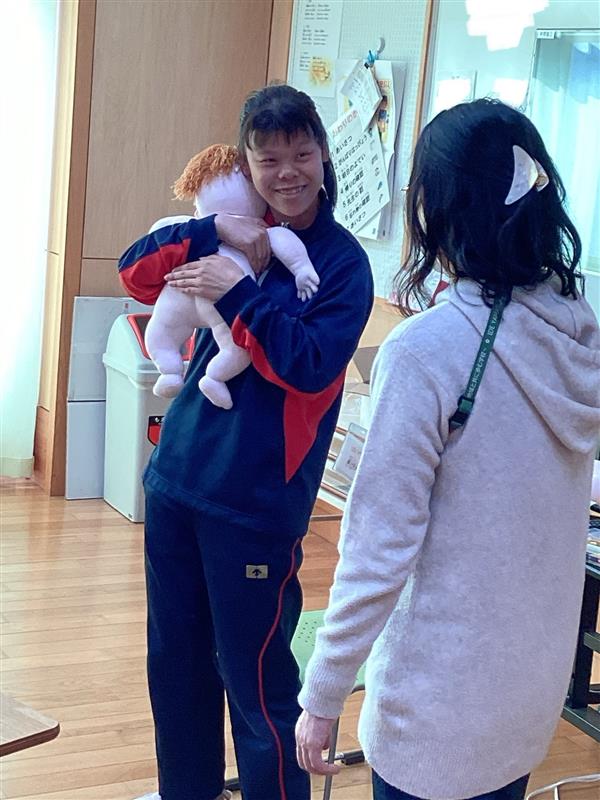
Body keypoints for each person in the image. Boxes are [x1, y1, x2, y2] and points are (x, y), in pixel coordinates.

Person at [295, 98, 600, 800]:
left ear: (439, 209)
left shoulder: (427, 350)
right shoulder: (577, 332)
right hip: (526, 699)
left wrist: (324, 691)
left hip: (436, 710)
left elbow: (378, 547)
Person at [118, 83, 374, 800]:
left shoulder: (341, 265)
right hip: (177, 482)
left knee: (258, 686)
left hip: (256, 506)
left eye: (301, 154)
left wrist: (236, 289)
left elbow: (309, 364)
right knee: (176, 669)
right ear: (247, 164)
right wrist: (213, 234)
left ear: (322, 156)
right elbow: (135, 272)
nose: (286, 173)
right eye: (268, 159)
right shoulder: (229, 227)